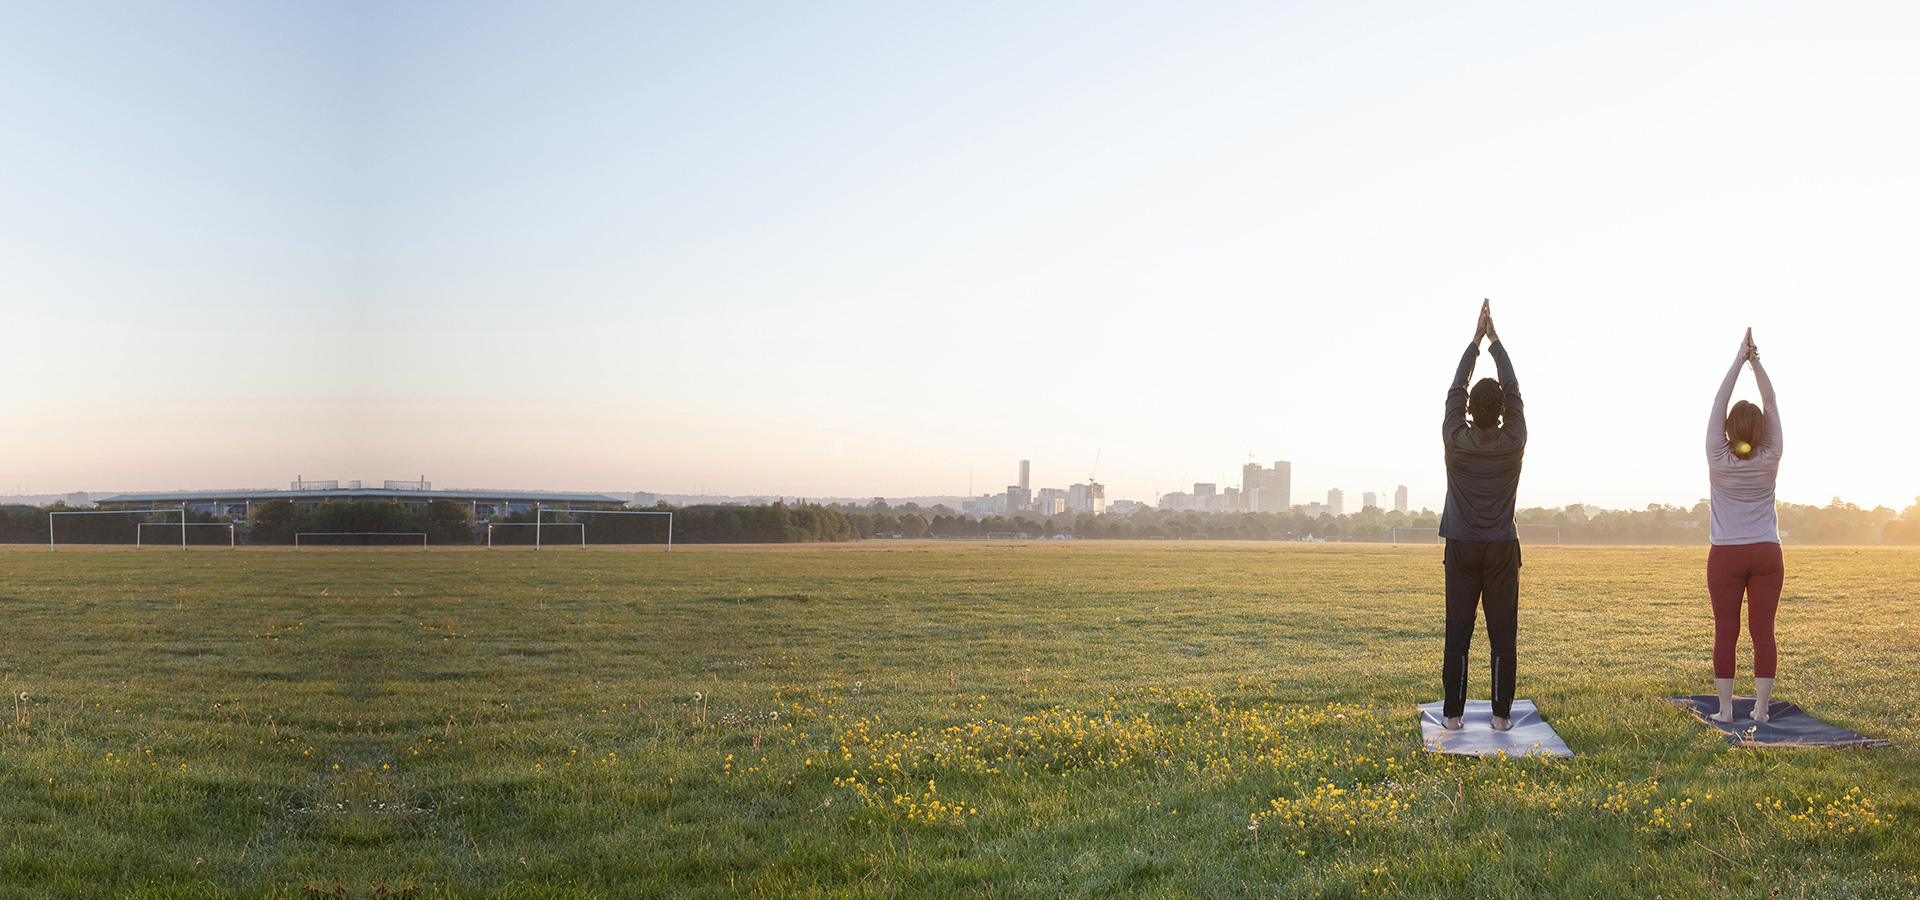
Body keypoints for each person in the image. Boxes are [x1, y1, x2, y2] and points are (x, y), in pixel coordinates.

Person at [1439, 300, 1527, 731]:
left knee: (1458, 631)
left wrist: (1475, 342)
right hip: (1500, 550)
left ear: (1471, 412)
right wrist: (1496, 343)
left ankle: (1453, 718)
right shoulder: (1514, 439)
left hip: (1460, 545)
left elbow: (1456, 390)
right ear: (1504, 413)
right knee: (1501, 634)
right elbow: (1514, 392)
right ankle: (1499, 718)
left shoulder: (1456, 438)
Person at [1705, 328, 1783, 723]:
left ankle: (1724, 711)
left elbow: (1720, 403)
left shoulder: (1718, 457)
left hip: (1726, 554)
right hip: (1767, 550)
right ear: (1762, 433)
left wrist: (1739, 359)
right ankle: (1762, 709)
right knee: (1762, 632)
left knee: (1726, 632)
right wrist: (1757, 362)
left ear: (1730, 431)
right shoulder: (1771, 455)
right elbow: (1770, 403)